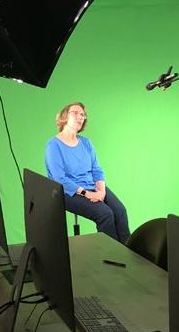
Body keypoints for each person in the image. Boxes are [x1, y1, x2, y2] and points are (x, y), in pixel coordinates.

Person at [45, 102, 130, 243]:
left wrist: (101, 191)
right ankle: (112, 256)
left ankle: (128, 252)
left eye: (83, 115)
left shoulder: (86, 143)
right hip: (68, 192)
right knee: (105, 214)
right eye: (75, 113)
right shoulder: (53, 145)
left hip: (92, 186)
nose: (80, 116)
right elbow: (60, 178)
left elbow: (97, 170)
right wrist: (88, 193)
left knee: (120, 211)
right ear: (64, 117)